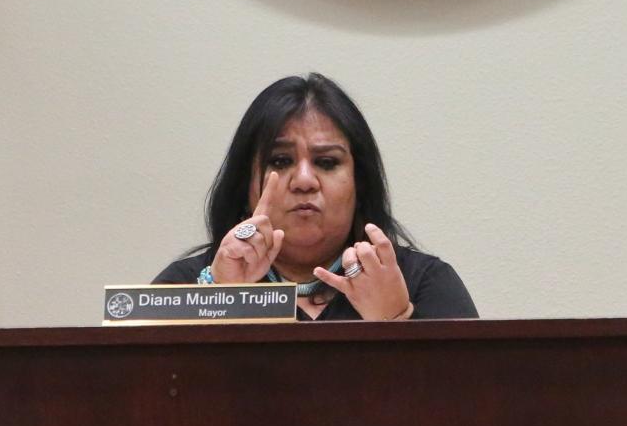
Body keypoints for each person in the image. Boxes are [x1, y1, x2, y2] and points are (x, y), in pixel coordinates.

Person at [153, 73, 478, 321]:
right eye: (280, 161)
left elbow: (471, 406)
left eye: (326, 162)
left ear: (359, 184)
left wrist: (395, 321)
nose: (304, 181)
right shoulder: (185, 286)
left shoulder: (422, 283)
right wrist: (218, 299)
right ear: (244, 183)